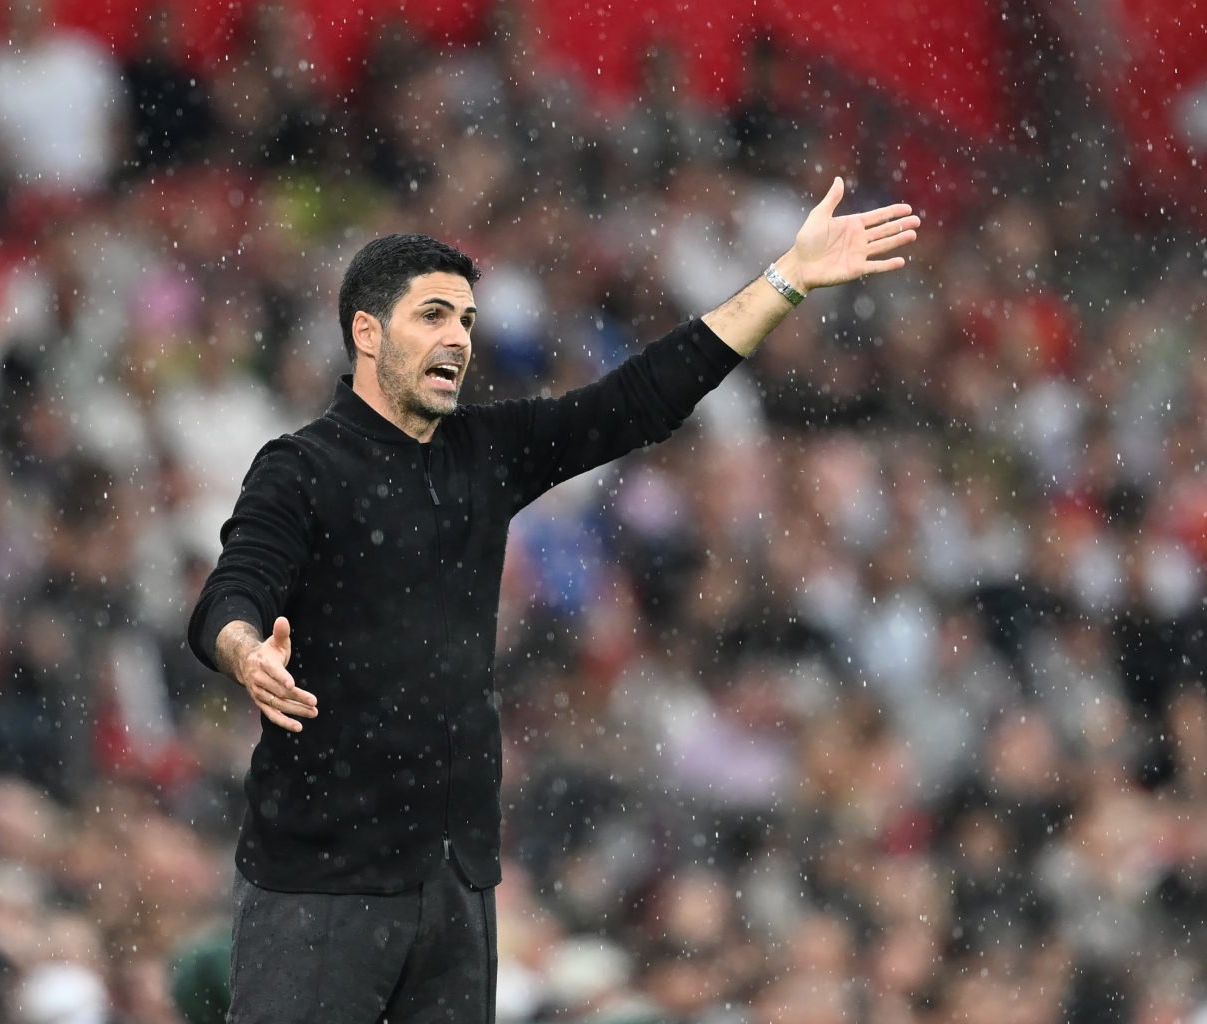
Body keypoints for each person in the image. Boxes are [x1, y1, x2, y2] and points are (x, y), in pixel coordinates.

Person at [185, 176, 919, 1023]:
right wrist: (246, 650)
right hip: (319, 881)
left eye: (465, 318)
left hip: (454, 881)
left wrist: (786, 278)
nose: (458, 336)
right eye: (432, 315)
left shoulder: (484, 453)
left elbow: (641, 401)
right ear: (366, 331)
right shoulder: (301, 466)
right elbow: (232, 588)